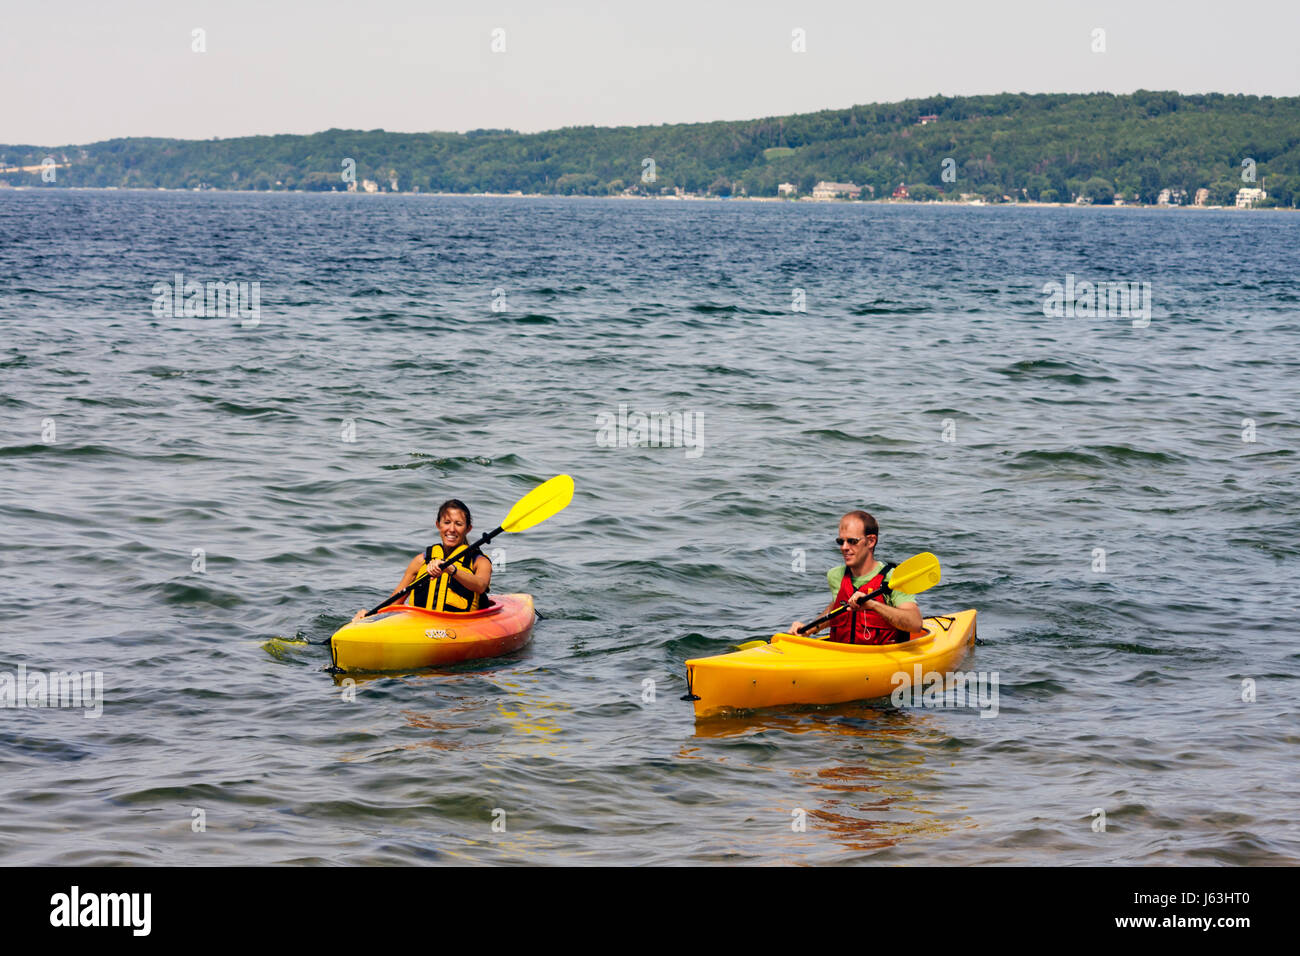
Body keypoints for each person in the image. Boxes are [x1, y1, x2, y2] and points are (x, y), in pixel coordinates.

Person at [791, 510, 922, 643]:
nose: (844, 547)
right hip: (842, 653)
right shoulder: (836, 575)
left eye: (852, 541)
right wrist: (809, 629)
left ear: (871, 541)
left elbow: (915, 624)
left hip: (880, 657)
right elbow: (837, 609)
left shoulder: (893, 578)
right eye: (841, 541)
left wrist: (873, 605)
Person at [350, 499, 492, 622]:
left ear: (468, 528)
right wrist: (369, 615)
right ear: (438, 525)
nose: (452, 529)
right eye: (447, 522)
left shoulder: (479, 561)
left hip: (459, 624)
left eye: (459, 524)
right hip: (421, 624)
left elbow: (481, 586)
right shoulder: (420, 561)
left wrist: (451, 569)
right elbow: (396, 600)